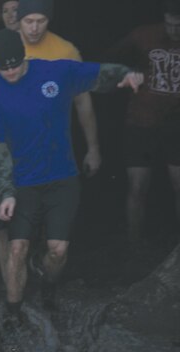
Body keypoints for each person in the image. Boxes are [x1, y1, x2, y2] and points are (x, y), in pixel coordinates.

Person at [0, 30, 144, 317]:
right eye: (3, 68)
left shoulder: (55, 71)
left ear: (24, 57)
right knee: (17, 248)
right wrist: (4, 193)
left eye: (15, 65)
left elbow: (94, 73)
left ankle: (48, 286)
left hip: (61, 178)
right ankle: (13, 312)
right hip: (23, 183)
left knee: (57, 250)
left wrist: (126, 74)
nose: (10, 72)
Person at [0, 0, 101, 180]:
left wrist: (93, 149)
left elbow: (83, 103)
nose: (34, 28)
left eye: (40, 21)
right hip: (9, 147)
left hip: (52, 153)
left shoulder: (65, 52)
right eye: (29, 21)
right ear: (21, 19)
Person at [107, 0, 180, 251]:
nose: (174, 31)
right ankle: (134, 244)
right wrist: (128, 74)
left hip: (175, 123)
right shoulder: (143, 35)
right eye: (170, 25)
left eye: (179, 27)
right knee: (138, 185)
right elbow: (110, 61)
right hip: (141, 121)